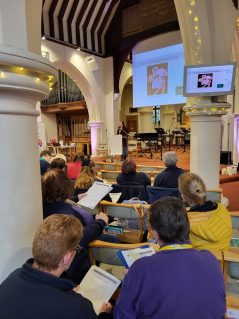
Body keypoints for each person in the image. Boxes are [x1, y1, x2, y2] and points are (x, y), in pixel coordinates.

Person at [114, 197, 226, 319]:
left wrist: (130, 280)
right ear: (187, 226)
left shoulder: (140, 268)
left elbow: (122, 315)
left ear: (155, 233)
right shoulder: (211, 261)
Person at [0, 214, 112, 319]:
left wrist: (64, 291)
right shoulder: (78, 308)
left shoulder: (13, 276)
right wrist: (103, 314)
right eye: (76, 248)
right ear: (66, 258)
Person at [178, 172, 232, 250]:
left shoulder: (185, 221)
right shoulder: (222, 210)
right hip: (224, 259)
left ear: (184, 195)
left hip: (199, 261)